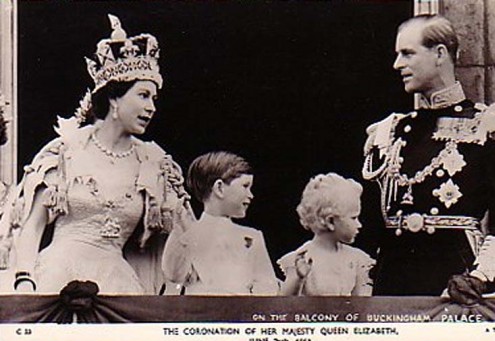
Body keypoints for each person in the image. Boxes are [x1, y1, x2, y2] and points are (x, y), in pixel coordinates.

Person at [0, 15, 194, 294]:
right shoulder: (67, 150)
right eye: (142, 95)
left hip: (117, 286)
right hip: (54, 280)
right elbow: (32, 227)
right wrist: (24, 281)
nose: (151, 107)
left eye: (154, 98)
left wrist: (183, 216)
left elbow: (176, 251)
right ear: (114, 98)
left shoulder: (153, 162)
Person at [362, 15, 495, 299]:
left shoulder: (491, 128)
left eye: (407, 54)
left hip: (453, 288)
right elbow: (372, 228)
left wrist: (479, 277)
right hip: (391, 288)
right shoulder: (388, 132)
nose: (397, 65)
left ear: (439, 53)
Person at [162, 151, 278, 295]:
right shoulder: (188, 234)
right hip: (199, 314)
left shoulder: (252, 237)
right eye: (245, 186)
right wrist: (180, 230)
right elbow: (174, 275)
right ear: (219, 188)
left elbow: (268, 286)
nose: (250, 195)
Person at [278, 173, 374, 296]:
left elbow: (361, 306)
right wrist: (298, 278)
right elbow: (282, 305)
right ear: (330, 221)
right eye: (353, 218)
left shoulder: (357, 259)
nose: (359, 225)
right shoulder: (302, 259)